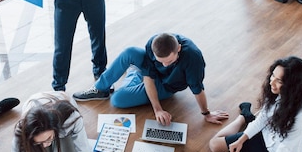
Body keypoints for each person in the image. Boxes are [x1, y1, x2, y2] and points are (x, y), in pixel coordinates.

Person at [73, 32, 229, 126]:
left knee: (118, 99)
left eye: (169, 61)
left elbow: (197, 89)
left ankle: (134, 73)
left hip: (167, 85)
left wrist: (206, 113)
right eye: (160, 61)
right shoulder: (154, 42)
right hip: (152, 75)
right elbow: (149, 75)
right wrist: (157, 109)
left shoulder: (192, 59)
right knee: (130, 52)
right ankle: (100, 88)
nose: (165, 64)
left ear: (179, 49)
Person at [208, 56, 302, 152]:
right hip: (264, 135)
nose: (271, 82)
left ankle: (246, 116)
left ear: (292, 85)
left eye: (279, 81)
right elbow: (262, 119)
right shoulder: (276, 93)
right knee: (214, 145)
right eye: (272, 76)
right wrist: (241, 140)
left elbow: (284, 149)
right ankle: (244, 117)